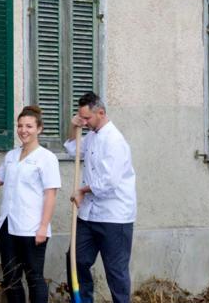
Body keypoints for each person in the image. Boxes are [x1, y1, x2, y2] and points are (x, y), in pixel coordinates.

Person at [0, 106, 60, 303]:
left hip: (32, 227)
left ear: (39, 129)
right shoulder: (11, 156)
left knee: (34, 277)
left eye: (29, 126)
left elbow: (50, 194)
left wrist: (43, 227)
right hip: (8, 226)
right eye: (20, 126)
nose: (23, 130)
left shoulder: (46, 158)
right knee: (11, 278)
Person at [65, 92, 137, 303]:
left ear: (101, 112)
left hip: (114, 217)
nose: (84, 122)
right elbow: (73, 151)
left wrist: (81, 191)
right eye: (82, 118)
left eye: (87, 118)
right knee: (75, 260)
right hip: (88, 215)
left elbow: (109, 182)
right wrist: (74, 127)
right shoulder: (92, 135)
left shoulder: (115, 141)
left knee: (115, 271)